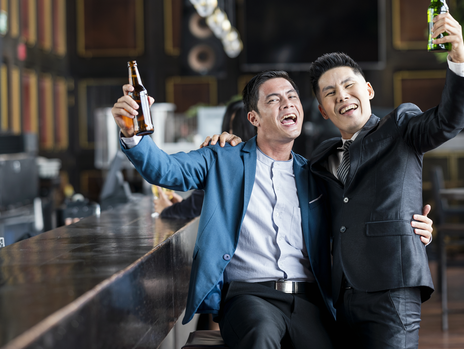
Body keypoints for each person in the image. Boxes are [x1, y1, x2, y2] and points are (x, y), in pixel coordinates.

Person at [111, 71, 433, 349]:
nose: (288, 104)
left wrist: (412, 227)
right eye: (274, 100)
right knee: (261, 335)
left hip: (310, 300)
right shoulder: (222, 158)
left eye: (292, 97)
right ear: (254, 118)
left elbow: (359, 216)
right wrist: (133, 134)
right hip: (249, 297)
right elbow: (165, 170)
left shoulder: (316, 175)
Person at [307, 12, 464, 348]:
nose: (341, 95)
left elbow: (448, 120)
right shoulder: (318, 159)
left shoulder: (402, 125)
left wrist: (458, 56)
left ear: (367, 89)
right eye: (330, 92)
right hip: (341, 294)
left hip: (393, 287)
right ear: (323, 110)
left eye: (349, 85)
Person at [153, 100, 255, 219]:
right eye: (228, 128)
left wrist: (166, 209)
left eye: (234, 128)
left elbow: (196, 205)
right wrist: (181, 205)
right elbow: (200, 203)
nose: (229, 134)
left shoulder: (227, 161)